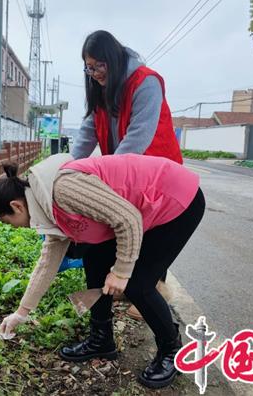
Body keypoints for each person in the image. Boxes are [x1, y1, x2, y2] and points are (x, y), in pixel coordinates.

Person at [0, 153, 205, 389]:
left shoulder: (62, 190)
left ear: (16, 206)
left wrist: (121, 272)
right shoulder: (45, 205)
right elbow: (47, 261)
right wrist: (22, 312)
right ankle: (102, 340)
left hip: (175, 200)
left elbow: (128, 220)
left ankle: (171, 350)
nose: (14, 228)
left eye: (8, 222)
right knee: (95, 261)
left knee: (139, 284)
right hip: (139, 209)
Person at [69, 30, 183, 317]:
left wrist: (109, 177)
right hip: (125, 171)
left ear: (114, 59)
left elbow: (138, 138)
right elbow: (87, 133)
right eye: (89, 67)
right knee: (127, 228)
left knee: (154, 230)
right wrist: (67, 169)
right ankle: (128, 287)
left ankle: (153, 290)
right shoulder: (101, 89)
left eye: (98, 66)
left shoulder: (146, 83)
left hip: (157, 172)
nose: (93, 73)